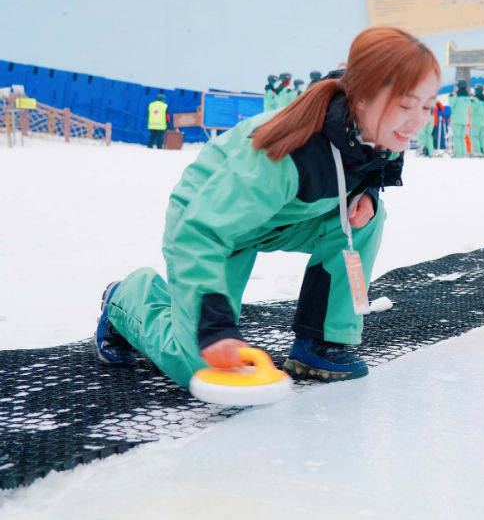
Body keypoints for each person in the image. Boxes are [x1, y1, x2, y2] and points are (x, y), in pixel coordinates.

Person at [93, 27, 441, 388]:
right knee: (199, 365)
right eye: (404, 105)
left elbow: (367, 164)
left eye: (427, 106)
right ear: (364, 97)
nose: (418, 121)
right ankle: (127, 298)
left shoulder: (374, 130)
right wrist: (215, 328)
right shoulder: (288, 151)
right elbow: (201, 231)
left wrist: (367, 192)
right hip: (210, 222)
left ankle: (321, 339)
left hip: (281, 216)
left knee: (366, 220)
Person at [449, 80, 471, 157]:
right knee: (462, 138)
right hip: (464, 120)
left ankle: (458, 154)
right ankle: (463, 153)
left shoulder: (456, 96)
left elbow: (451, 104)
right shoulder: (467, 97)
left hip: (456, 120)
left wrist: (451, 96)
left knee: (457, 137)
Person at [469, 84, 484, 155]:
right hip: (483, 122)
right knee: (482, 138)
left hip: (476, 121)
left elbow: (472, 107)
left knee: (474, 137)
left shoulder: (476, 100)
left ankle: (477, 152)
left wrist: (471, 100)